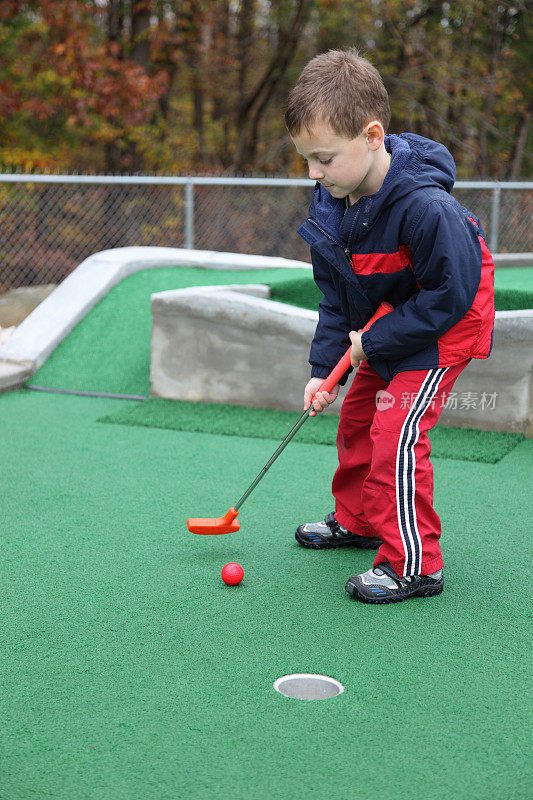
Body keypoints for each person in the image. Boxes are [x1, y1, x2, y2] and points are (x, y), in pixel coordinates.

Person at [285, 48, 495, 604]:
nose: (313, 172)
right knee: (357, 418)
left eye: (324, 158)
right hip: (389, 322)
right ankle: (358, 521)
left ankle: (416, 563)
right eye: (306, 159)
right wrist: (322, 371)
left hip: (442, 330)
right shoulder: (332, 202)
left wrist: (374, 342)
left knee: (394, 431)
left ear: (372, 135)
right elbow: (337, 297)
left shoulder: (428, 208)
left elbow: (449, 297)